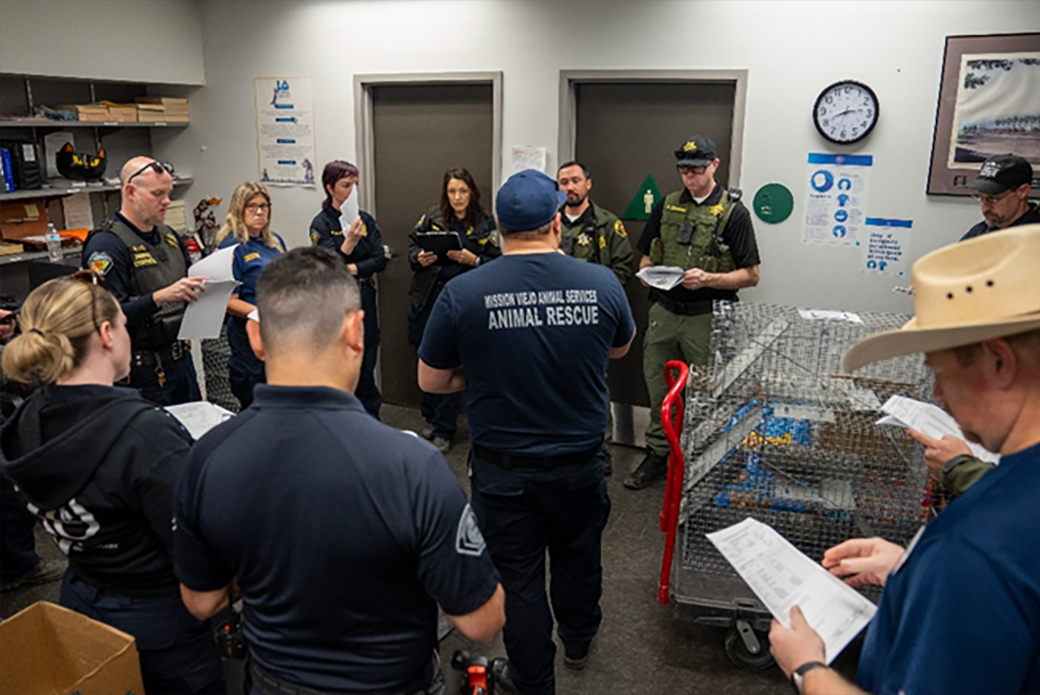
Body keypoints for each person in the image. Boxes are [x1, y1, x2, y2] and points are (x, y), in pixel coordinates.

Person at [174, 247, 504, 695]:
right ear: (355, 330)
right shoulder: (412, 466)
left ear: (256, 338)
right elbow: (482, 621)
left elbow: (202, 600)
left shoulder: (207, 456)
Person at [768, 224, 1040, 695]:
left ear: (1000, 361)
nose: (938, 395)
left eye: (940, 372)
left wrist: (807, 668)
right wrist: (912, 570)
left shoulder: (972, 548)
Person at [418, 170, 636, 695]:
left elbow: (432, 379)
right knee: (578, 558)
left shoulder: (465, 292)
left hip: (503, 470)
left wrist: (485, 369)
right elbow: (619, 348)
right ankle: (580, 640)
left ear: (497, 229)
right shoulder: (601, 282)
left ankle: (533, 679)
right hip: (579, 464)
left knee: (516, 579)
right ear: (556, 223)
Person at [0, 274, 223, 694]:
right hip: (160, 624)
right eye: (122, 324)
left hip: (84, 599)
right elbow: (199, 558)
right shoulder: (143, 435)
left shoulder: (25, 423)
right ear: (106, 334)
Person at [625, 134, 760, 490]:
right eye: (683, 170)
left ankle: (702, 460)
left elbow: (752, 276)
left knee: (706, 393)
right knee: (658, 388)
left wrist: (710, 278)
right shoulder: (668, 205)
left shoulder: (734, 213)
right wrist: (649, 274)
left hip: (708, 316)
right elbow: (645, 257)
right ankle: (658, 453)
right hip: (665, 313)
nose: (689, 176)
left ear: (714, 165)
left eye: (696, 169)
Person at [82, 156, 207, 406]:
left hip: (181, 363)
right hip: (142, 372)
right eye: (157, 194)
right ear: (131, 192)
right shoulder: (107, 245)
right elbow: (105, 316)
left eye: (169, 193)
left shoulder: (169, 236)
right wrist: (159, 297)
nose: (167, 202)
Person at [408, 168, 500, 453]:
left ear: (471, 191)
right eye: (452, 191)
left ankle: (444, 429)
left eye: (462, 190)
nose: (457, 197)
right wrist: (419, 257)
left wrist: (474, 260)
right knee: (428, 356)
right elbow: (412, 247)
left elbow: (500, 265)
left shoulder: (487, 222)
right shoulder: (433, 217)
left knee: (451, 361)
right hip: (430, 297)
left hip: (466, 301)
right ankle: (432, 417)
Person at [557, 160, 633, 474]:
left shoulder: (607, 224)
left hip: (591, 320)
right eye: (563, 182)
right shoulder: (549, 223)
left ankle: (599, 449)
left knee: (593, 385)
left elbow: (623, 271)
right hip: (552, 319)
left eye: (575, 180)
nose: (569, 187)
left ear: (588, 184)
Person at [309, 160, 388, 419]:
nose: (352, 190)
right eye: (345, 185)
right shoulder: (321, 223)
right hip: (337, 299)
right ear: (330, 188)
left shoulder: (364, 219)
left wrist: (352, 268)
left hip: (364, 294)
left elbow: (379, 259)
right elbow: (328, 265)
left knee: (366, 361)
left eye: (355, 184)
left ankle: (371, 418)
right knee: (343, 362)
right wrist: (350, 243)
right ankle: (347, 418)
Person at [215, 181, 286, 409]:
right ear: (239, 210)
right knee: (257, 404)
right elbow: (228, 302)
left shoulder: (274, 242)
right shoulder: (232, 248)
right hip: (249, 338)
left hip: (279, 335)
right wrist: (262, 314)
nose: (259, 212)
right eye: (252, 207)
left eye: (264, 206)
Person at [961, 154, 1038, 241]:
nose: (985, 209)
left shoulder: (1035, 235)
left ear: (1022, 191)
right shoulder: (978, 233)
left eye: (993, 199)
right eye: (980, 198)